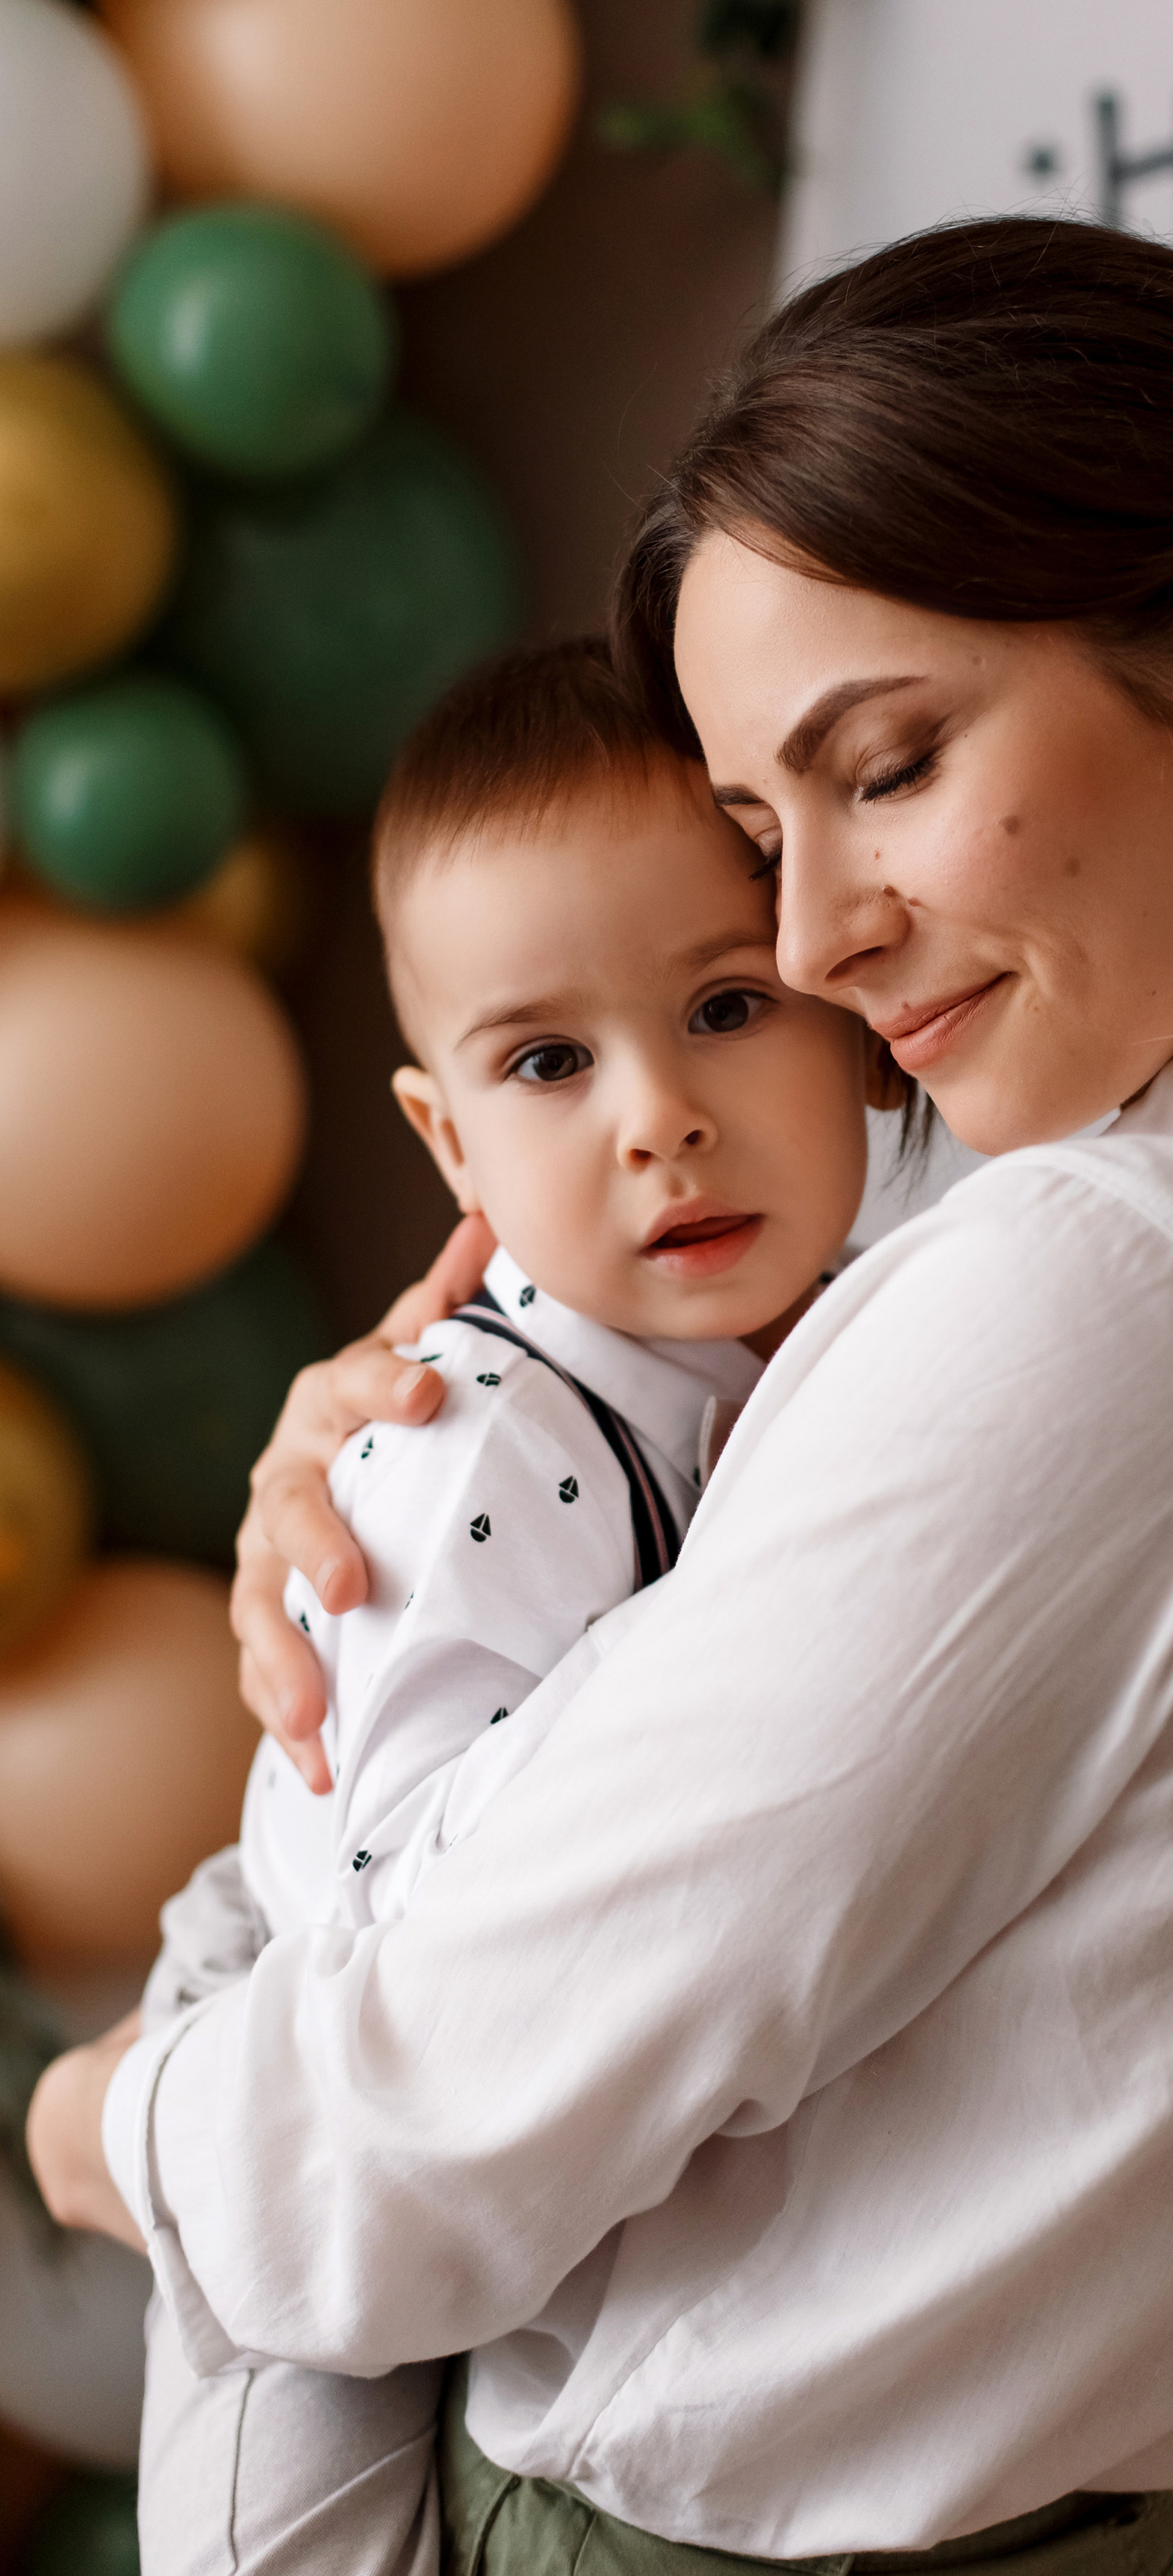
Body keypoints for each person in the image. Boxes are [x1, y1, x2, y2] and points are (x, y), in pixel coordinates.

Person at [31, 217, 1173, 2576]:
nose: (813, 940)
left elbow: (377, 2177)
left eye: (890, 766)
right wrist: (501, 1461)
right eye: (760, 839)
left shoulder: (1122, 1294)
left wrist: (107, 2118)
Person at [132, 637, 878, 2576]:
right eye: (550, 1061)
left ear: (857, 1018)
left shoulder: (835, 1350)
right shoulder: (474, 1451)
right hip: (299, 2046)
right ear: (448, 1139)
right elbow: (404, 1939)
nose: (660, 1120)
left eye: (730, 1006)